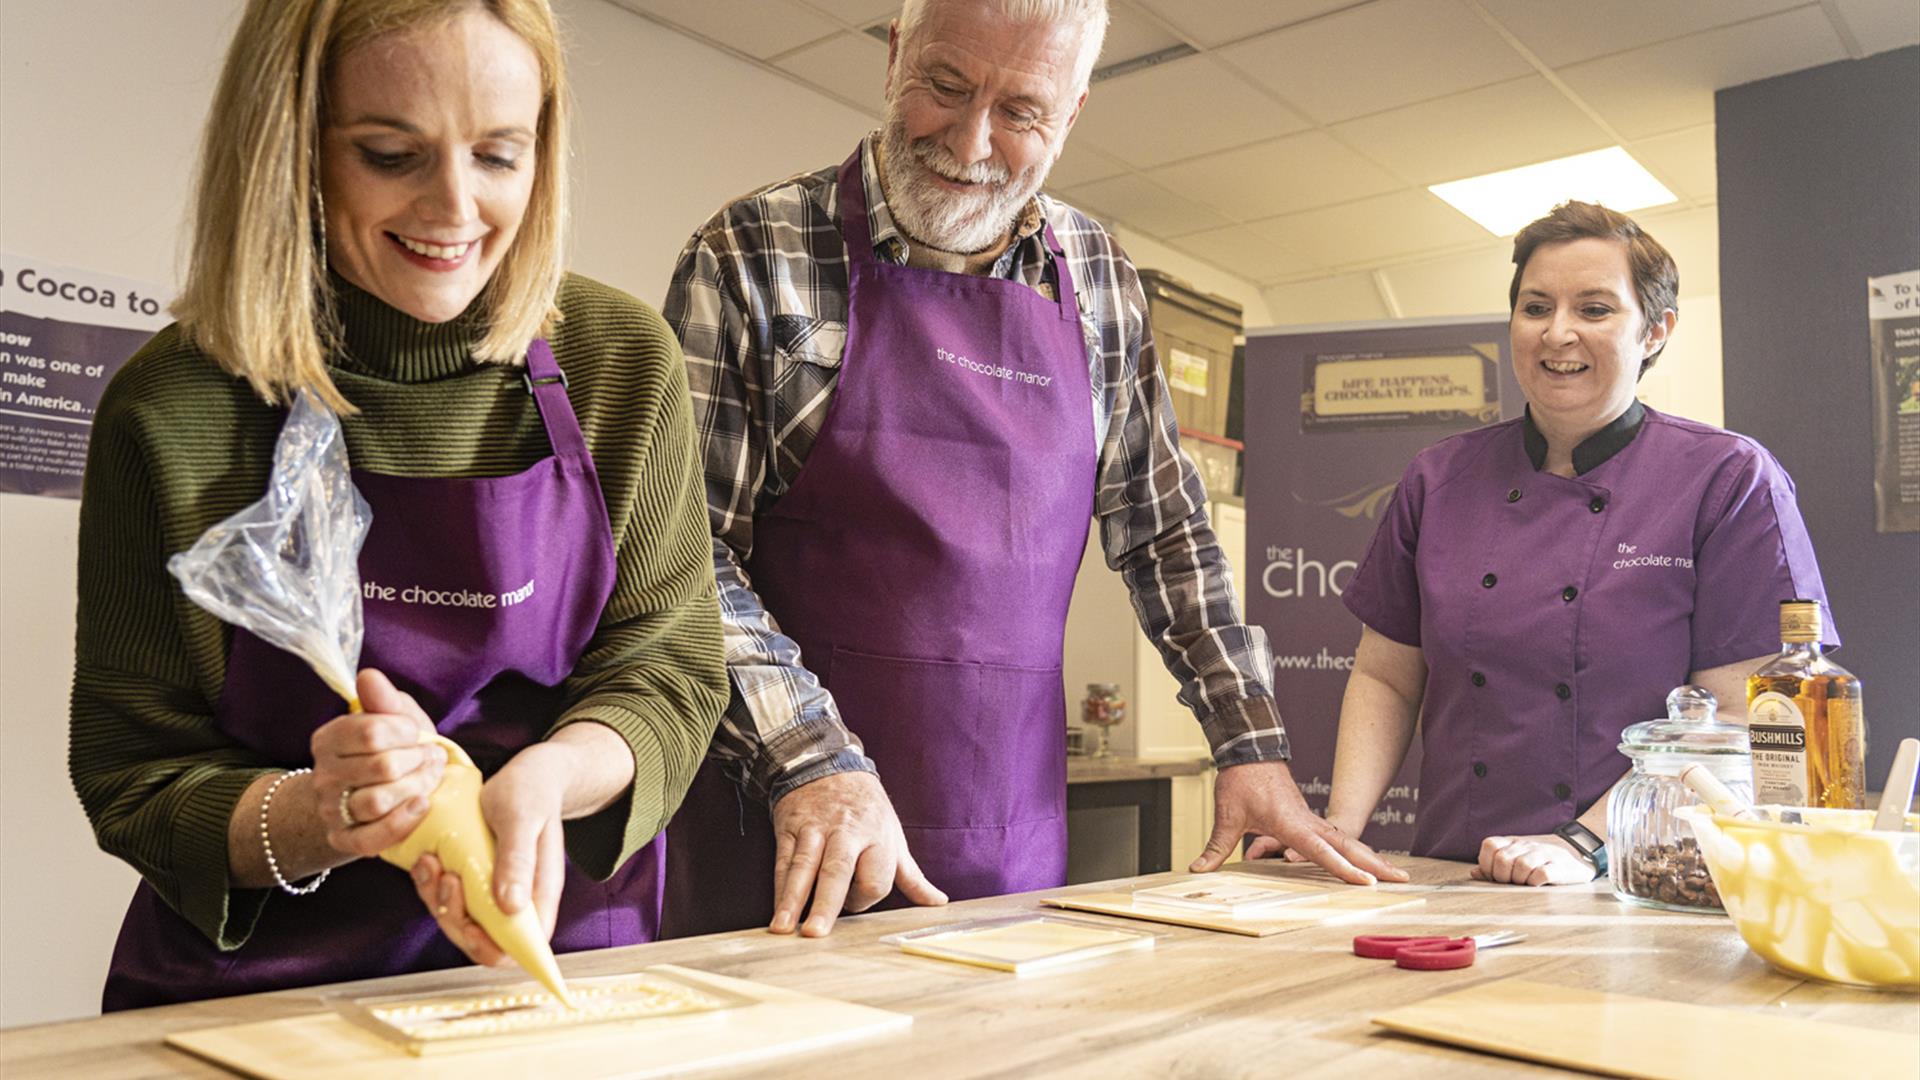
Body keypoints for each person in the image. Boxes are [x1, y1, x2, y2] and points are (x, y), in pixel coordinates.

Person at [660, 0, 1404, 940]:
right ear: (895, 58)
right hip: (788, 839)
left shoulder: (1098, 276)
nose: (970, 141)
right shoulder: (753, 252)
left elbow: (1167, 532)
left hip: (1008, 840)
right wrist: (812, 758)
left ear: (1074, 112)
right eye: (945, 85)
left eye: (1020, 111)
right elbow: (685, 554)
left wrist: (1250, 747)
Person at [71, 0, 726, 1010]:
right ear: (292, 149)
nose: (455, 207)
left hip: (555, 962)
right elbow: (134, 772)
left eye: (500, 156)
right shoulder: (173, 408)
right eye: (391, 153)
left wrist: (546, 781)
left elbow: (670, 672)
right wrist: (320, 812)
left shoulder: (619, 363)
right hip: (265, 996)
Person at [1306, 201, 1832, 887]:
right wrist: (1341, 830)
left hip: (1641, 878)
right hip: (1450, 872)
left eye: (1594, 309)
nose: (1558, 333)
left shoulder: (1726, 478)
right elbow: (1386, 675)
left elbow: (1742, 713)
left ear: (1656, 331)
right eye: (1535, 307)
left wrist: (1582, 844)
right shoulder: (1439, 477)